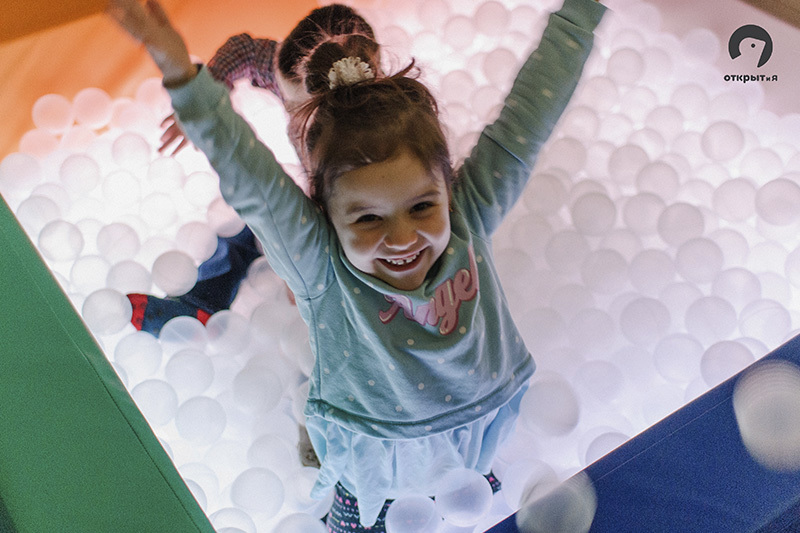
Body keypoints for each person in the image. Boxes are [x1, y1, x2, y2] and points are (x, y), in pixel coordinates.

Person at [107, 0, 606, 531]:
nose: (402, 239)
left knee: (468, 514)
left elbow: (527, 122)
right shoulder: (322, 269)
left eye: (422, 206)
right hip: (372, 472)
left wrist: (579, 13)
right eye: (368, 218)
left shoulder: (468, 218)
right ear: (325, 215)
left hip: (473, 450)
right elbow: (251, 180)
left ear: (447, 187)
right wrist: (181, 73)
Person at [128, 4, 380, 336]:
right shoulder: (291, 69)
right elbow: (245, 50)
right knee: (250, 223)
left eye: (301, 111)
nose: (292, 117)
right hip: (317, 189)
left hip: (360, 216)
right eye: (287, 100)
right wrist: (200, 91)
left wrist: (306, 265)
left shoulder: (372, 134)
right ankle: (202, 303)